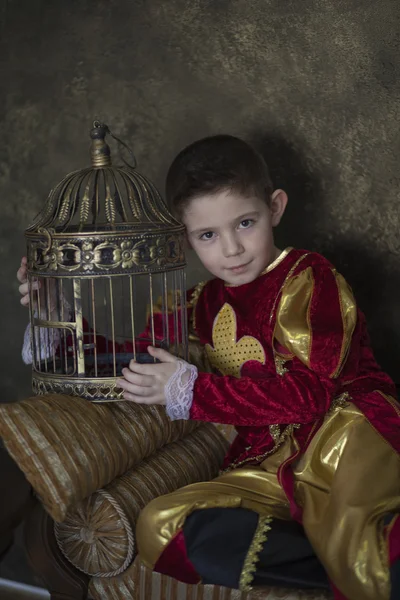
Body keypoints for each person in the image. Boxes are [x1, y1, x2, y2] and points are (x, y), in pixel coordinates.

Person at [18, 136, 400, 600]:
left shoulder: (307, 277)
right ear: (184, 237)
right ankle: (325, 559)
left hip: (343, 438)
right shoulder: (196, 306)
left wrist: (193, 391)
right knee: (159, 526)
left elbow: (313, 394)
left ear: (274, 208)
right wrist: (59, 321)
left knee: (358, 540)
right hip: (265, 467)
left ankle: (342, 553)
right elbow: (131, 365)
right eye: (208, 235)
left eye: (245, 223)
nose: (233, 249)